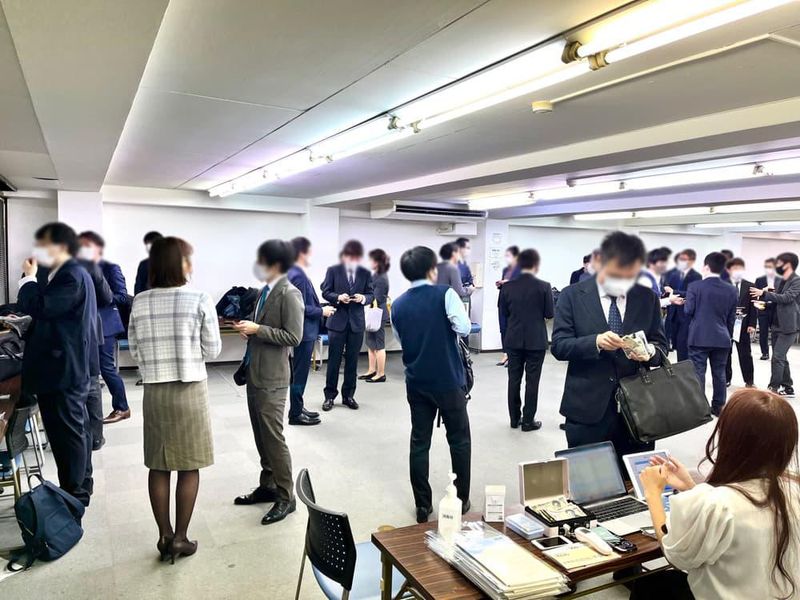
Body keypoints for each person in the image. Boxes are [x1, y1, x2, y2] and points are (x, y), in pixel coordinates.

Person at [633, 388, 800, 600]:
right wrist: (690, 487)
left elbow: (675, 554)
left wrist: (652, 493)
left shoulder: (718, 503)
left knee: (652, 586)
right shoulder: (791, 487)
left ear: (731, 439)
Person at [128, 237, 221, 561]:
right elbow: (213, 350)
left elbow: (135, 350)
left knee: (158, 464)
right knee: (188, 465)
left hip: (155, 391)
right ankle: (181, 538)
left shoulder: (140, 302)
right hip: (190, 390)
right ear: (181, 264)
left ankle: (164, 535)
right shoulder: (199, 298)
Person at [551, 231, 667, 464]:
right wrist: (595, 342)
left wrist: (649, 352)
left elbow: (661, 346)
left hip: (638, 409)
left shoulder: (647, 298)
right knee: (588, 476)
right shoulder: (572, 296)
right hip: (587, 407)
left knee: (634, 475)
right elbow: (560, 346)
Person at [391, 246, 472, 523]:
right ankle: (461, 499)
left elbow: (401, 340)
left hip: (416, 381)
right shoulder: (445, 294)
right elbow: (464, 327)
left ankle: (422, 505)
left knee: (419, 442)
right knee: (459, 440)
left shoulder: (398, 304)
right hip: (448, 380)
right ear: (431, 270)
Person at [18, 222, 97, 506]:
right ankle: (81, 486)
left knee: (68, 435)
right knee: (76, 430)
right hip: (67, 366)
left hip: (63, 370)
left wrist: (28, 280)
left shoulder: (70, 274)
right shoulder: (68, 272)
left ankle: (75, 495)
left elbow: (40, 307)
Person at [232, 240, 304, 525]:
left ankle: (287, 496)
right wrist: (249, 330)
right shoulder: (265, 291)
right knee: (261, 435)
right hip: (255, 373)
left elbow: (294, 337)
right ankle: (268, 485)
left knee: (274, 438)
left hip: (273, 378)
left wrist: (259, 329)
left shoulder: (290, 293)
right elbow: (262, 327)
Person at [37, 250, 111, 451]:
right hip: (75, 334)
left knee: (83, 385)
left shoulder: (44, 266)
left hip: (69, 334)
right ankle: (90, 437)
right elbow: (106, 297)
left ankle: (86, 437)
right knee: (89, 384)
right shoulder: (80, 264)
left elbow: (107, 296)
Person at [77, 231, 131, 424]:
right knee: (87, 369)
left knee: (106, 368)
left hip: (105, 324)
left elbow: (122, 296)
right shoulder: (77, 268)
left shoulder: (110, 267)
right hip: (84, 325)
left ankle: (122, 407)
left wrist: (97, 297)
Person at [498, 249, 553, 431]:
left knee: (513, 380)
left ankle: (514, 419)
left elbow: (504, 312)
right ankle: (528, 421)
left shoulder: (507, 287)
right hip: (536, 340)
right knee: (532, 381)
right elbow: (549, 313)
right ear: (536, 265)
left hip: (513, 339)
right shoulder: (544, 286)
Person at [320, 240, 374, 411]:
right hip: (337, 322)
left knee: (352, 361)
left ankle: (348, 396)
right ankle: (329, 396)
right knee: (334, 361)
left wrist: (363, 298)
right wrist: (337, 297)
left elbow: (371, 294)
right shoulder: (333, 270)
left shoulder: (365, 273)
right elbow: (325, 291)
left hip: (356, 323)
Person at [684, 252, 737, 416]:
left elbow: (688, 311)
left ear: (706, 267)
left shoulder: (695, 286)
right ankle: (719, 407)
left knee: (698, 373)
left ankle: (700, 409)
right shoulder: (732, 290)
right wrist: (728, 335)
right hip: (722, 338)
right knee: (719, 373)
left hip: (699, 336)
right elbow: (731, 318)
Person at [286, 237, 329, 426]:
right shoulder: (298, 276)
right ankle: (295, 414)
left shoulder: (293, 272)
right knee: (300, 374)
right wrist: (322, 311)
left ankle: (298, 407)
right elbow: (301, 307)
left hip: (302, 331)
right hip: (304, 332)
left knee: (298, 373)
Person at [751, 252, 800, 398]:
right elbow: (776, 301)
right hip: (776, 324)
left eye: (779, 263)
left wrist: (763, 293)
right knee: (781, 357)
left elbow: (787, 298)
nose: (776, 266)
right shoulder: (780, 281)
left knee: (777, 357)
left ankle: (773, 388)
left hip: (789, 326)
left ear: (788, 265)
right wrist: (764, 304)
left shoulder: (797, 280)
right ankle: (788, 387)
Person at [664, 249, 701, 360]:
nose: (681, 261)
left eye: (684, 259)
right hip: (672, 314)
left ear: (692, 261)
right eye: (680, 259)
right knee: (671, 345)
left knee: (683, 347)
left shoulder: (696, 276)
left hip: (686, 315)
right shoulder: (674, 275)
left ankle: (683, 367)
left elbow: (693, 294)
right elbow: (667, 289)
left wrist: (674, 291)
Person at [724, 258, 756, 388]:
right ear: (729, 270)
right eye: (735, 268)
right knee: (726, 353)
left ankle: (749, 381)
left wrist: (752, 324)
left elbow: (753, 307)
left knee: (745, 354)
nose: (738, 271)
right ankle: (726, 378)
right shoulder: (723, 285)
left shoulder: (750, 285)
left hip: (743, 325)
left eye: (740, 268)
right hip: (725, 325)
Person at [360, 248, 390, 383]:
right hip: (372, 312)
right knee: (371, 343)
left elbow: (376, 297)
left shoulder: (382, 278)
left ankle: (380, 373)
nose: (369, 262)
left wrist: (363, 298)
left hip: (378, 313)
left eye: (371, 260)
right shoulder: (376, 275)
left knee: (379, 344)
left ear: (377, 262)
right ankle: (371, 370)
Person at [495, 245, 520, 367]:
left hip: (514, 303)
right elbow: (504, 285)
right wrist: (500, 284)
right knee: (503, 328)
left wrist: (508, 282)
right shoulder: (506, 270)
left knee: (512, 329)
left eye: (508, 256)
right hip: (503, 301)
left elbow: (522, 285)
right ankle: (505, 353)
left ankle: (513, 355)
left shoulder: (522, 270)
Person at [754, 257, 778, 360]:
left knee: (775, 333)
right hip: (763, 308)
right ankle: (765, 353)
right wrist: (763, 290)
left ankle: (776, 354)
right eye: (766, 267)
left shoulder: (780, 280)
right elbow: (755, 294)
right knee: (763, 333)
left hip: (776, 309)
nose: (769, 269)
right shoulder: (759, 280)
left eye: (770, 267)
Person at [134, 231, 163, 295]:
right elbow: (138, 286)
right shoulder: (144, 264)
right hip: (146, 297)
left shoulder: (170, 263)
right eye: (146, 244)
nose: (148, 246)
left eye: (150, 243)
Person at [454, 237, 476, 301]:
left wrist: (470, 287)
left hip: (463, 299)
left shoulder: (464, 266)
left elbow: (470, 282)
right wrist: (468, 290)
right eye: (467, 248)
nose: (469, 251)